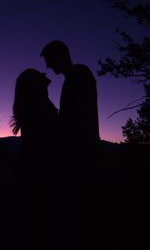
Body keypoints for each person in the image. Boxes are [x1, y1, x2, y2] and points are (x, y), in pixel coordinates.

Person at [40, 40, 101, 249]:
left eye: (49, 61)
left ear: (60, 56)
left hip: (81, 154)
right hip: (82, 152)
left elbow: (77, 120)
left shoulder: (79, 75)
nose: (48, 66)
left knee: (81, 210)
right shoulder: (75, 77)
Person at [11, 68, 59, 250]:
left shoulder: (35, 103)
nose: (45, 74)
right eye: (39, 75)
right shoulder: (38, 105)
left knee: (34, 218)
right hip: (38, 169)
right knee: (38, 218)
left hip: (31, 167)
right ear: (34, 85)